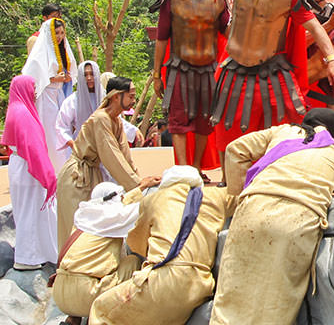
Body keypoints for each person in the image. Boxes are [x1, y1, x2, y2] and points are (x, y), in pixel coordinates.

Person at [178, 0, 334, 153]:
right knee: (228, 130)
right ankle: (230, 182)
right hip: (234, 70)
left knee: (285, 130)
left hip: (272, 72)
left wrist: (333, 60)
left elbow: (315, 27)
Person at [210, 108, 334, 325]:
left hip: (252, 208)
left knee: (230, 295)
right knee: (274, 303)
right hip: (297, 221)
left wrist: (236, 198)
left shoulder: (282, 131)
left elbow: (235, 149)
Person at [88, 166, 236, 325]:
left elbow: (136, 243)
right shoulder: (216, 196)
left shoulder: (153, 199)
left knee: (100, 310)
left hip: (163, 282)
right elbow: (241, 194)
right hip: (201, 285)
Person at [150, 0, 229, 179]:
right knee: (178, 122)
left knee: (205, 121)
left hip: (208, 69)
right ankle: (184, 169)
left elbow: (228, 31)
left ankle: (196, 167)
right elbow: (162, 38)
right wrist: (157, 74)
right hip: (179, 69)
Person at [56, 76, 160, 250]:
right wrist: (138, 187)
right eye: (131, 96)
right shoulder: (101, 119)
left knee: (93, 231)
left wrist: (141, 182)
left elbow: (125, 158)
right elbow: (111, 157)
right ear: (116, 96)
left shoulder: (116, 121)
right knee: (76, 232)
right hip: (76, 179)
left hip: (91, 176)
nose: (134, 100)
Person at [51, 181, 157, 325]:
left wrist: (140, 188)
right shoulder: (113, 218)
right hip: (85, 294)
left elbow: (116, 203)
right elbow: (145, 206)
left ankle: (73, 319)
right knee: (132, 261)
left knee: (86, 269)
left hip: (60, 293)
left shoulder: (84, 215)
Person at [0, 75, 58, 270]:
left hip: (19, 165)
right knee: (31, 212)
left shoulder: (14, 109)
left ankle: (32, 255)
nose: (34, 92)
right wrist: (48, 175)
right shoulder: (23, 113)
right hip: (26, 168)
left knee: (25, 211)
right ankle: (28, 258)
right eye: (32, 88)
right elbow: (34, 149)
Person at [22, 17, 77, 172]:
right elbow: (31, 75)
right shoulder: (41, 54)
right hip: (46, 98)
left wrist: (66, 78)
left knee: (62, 129)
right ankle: (54, 170)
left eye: (62, 33)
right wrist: (53, 79)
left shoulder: (62, 50)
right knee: (51, 133)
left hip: (59, 95)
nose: (59, 36)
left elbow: (71, 71)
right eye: (56, 33)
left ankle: (64, 168)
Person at [55, 61, 105, 164]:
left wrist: (134, 131)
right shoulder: (72, 101)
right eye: (85, 75)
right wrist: (72, 144)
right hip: (81, 152)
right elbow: (61, 126)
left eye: (92, 74)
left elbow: (117, 120)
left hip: (104, 150)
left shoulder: (105, 98)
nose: (89, 78)